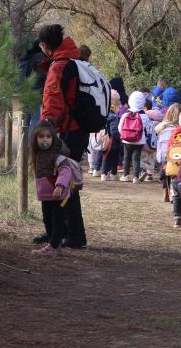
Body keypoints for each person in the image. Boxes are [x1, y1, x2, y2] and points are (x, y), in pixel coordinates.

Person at [38, 24, 88, 248]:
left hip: (68, 130)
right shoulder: (76, 60)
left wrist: (45, 130)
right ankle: (61, 232)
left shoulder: (59, 66)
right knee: (66, 180)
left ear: (44, 45)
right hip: (79, 129)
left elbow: (53, 101)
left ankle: (70, 235)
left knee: (62, 181)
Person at [29, 120, 78, 258]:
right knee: (47, 220)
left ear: (53, 138)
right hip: (46, 196)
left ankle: (53, 246)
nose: (45, 139)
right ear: (35, 139)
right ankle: (54, 245)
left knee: (57, 221)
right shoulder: (38, 155)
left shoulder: (57, 156)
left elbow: (65, 171)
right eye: (41, 136)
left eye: (48, 136)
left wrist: (60, 186)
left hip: (58, 195)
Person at [119, 90, 153, 182]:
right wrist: (145, 137)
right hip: (139, 140)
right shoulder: (145, 116)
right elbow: (149, 129)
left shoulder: (125, 115)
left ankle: (125, 175)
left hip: (126, 140)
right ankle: (135, 177)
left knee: (126, 157)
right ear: (143, 102)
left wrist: (123, 135)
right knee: (136, 158)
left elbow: (120, 127)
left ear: (130, 101)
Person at [100, 91, 124, 181]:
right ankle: (113, 174)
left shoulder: (105, 116)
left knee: (105, 158)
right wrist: (119, 138)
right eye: (119, 107)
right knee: (114, 159)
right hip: (112, 142)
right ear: (115, 107)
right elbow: (114, 131)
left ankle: (104, 174)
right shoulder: (114, 118)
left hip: (104, 140)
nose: (120, 109)